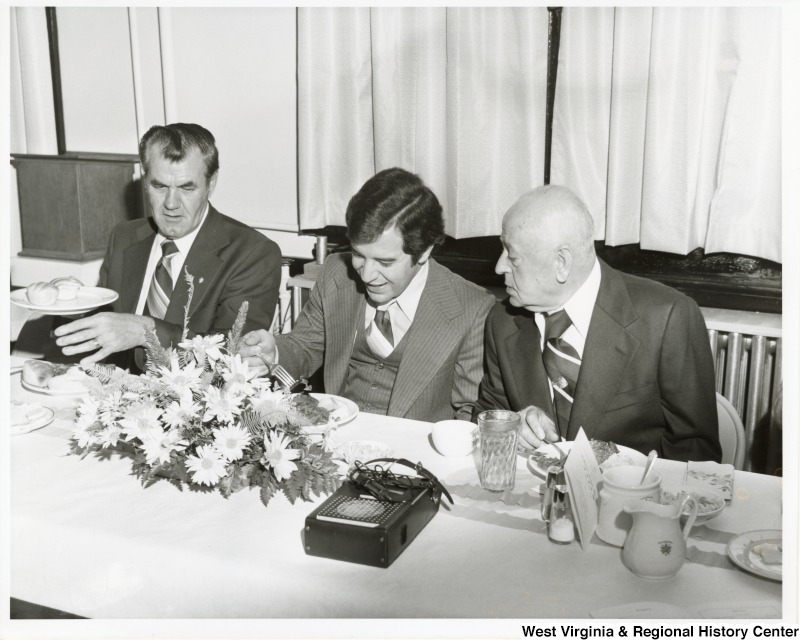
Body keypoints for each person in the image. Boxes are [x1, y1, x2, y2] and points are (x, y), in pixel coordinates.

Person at [474, 185, 722, 462]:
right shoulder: (503, 321)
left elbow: (695, 451)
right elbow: (486, 415)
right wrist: (510, 429)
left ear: (561, 263)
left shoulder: (667, 318)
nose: (499, 267)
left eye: (512, 256)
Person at [239, 168, 495, 422]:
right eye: (359, 255)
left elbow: (471, 413)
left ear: (424, 251)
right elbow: (305, 346)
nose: (367, 275)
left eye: (385, 262)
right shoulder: (335, 273)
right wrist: (275, 353)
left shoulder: (472, 308)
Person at [54, 123, 282, 368]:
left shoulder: (253, 253)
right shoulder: (125, 236)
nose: (171, 204)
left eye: (186, 188)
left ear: (211, 184)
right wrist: (73, 304)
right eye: (159, 186)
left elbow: (233, 353)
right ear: (145, 182)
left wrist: (145, 331)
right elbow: (108, 329)